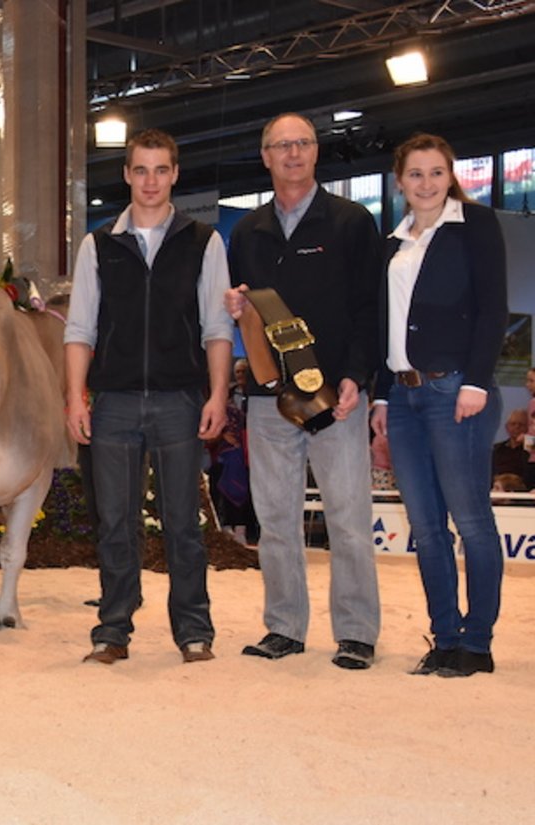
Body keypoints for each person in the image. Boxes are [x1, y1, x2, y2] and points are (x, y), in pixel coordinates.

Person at [64, 128, 232, 665]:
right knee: (115, 521)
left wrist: (218, 394)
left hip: (180, 400)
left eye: (161, 170)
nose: (151, 180)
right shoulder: (99, 244)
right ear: (127, 175)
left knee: (184, 521)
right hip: (111, 401)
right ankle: (113, 629)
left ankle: (193, 630)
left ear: (175, 174)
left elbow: (217, 328)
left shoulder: (204, 241)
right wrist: (75, 397)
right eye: (141, 170)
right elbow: (79, 329)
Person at [225, 112, 383, 669]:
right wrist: (238, 309)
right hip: (270, 400)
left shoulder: (350, 221)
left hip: (336, 397)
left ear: (316, 153)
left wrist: (357, 377)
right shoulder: (246, 232)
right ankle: (284, 626)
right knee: (275, 520)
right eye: (280, 146)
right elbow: (248, 310)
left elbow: (371, 308)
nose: (292, 153)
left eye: (302, 144)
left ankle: (358, 632)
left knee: (348, 518)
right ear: (265, 157)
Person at [371, 132, 507, 678]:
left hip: (457, 391)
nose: (425, 183)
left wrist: (477, 381)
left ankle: (478, 643)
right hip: (402, 399)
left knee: (471, 519)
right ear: (399, 181)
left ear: (450, 176)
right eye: (414, 174)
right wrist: (382, 393)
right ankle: (445, 637)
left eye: (435, 172)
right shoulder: (393, 241)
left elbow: (493, 307)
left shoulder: (475, 227)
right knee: (426, 527)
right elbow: (385, 322)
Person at [491, 409, 529, 483]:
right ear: (507, 427)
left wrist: (527, 440)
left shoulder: (531, 448)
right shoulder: (497, 449)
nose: (517, 427)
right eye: (513, 424)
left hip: (523, 490)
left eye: (521, 424)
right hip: (498, 489)